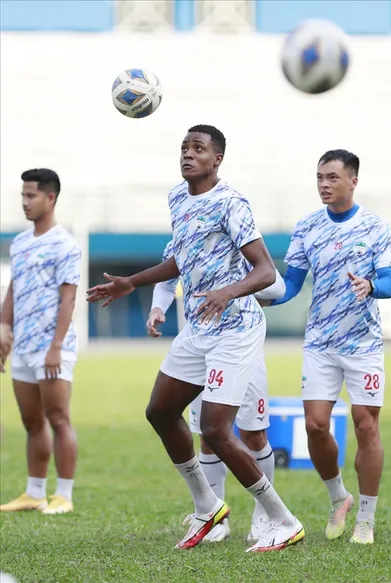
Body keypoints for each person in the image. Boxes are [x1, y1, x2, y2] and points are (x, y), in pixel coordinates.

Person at [87, 125, 304, 553]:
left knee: (217, 430)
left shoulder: (231, 203)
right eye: (184, 147)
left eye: (198, 148)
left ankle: (283, 520)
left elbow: (264, 272)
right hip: (200, 328)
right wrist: (131, 282)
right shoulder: (177, 197)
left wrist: (226, 292)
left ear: (217, 159)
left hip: (236, 328)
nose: (188, 154)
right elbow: (180, 260)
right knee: (160, 411)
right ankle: (207, 504)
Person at [262, 149, 391, 545]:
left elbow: (389, 284)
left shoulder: (375, 227)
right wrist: (255, 295)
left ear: (353, 181)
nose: (324, 184)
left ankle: (366, 521)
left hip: (363, 345)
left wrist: (370, 285)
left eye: (333, 177)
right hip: (320, 342)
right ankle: (339, 497)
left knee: (366, 425)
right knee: (316, 425)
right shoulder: (306, 227)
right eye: (319, 177)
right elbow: (290, 285)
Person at [147, 239, 286, 542]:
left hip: (241, 345)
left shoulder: (237, 240)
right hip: (201, 345)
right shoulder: (179, 241)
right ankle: (216, 518)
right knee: (207, 433)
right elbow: (166, 281)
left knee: (253, 433)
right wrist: (158, 308)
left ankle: (265, 516)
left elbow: (277, 286)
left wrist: (234, 290)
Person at [0, 168, 81, 515]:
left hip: (53, 347)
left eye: (31, 195)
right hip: (24, 346)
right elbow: (14, 289)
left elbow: (68, 299)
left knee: (58, 417)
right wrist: (3, 325)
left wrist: (56, 347)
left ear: (50, 198)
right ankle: (34, 492)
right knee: (31, 422)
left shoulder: (66, 245)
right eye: (22, 195)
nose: (24, 202)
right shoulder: (19, 243)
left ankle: (63, 495)